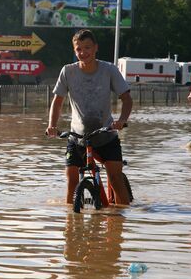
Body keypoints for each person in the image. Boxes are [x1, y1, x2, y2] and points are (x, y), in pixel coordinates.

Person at [46, 29, 133, 206]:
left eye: (87, 48)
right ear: (74, 51)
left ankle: (121, 221)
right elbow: (57, 102)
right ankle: (71, 223)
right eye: (78, 49)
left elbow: (127, 99)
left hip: (106, 135)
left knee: (115, 178)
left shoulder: (109, 70)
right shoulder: (67, 71)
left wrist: (122, 120)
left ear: (95, 48)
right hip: (77, 138)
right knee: (71, 181)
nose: (83, 53)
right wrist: (52, 126)